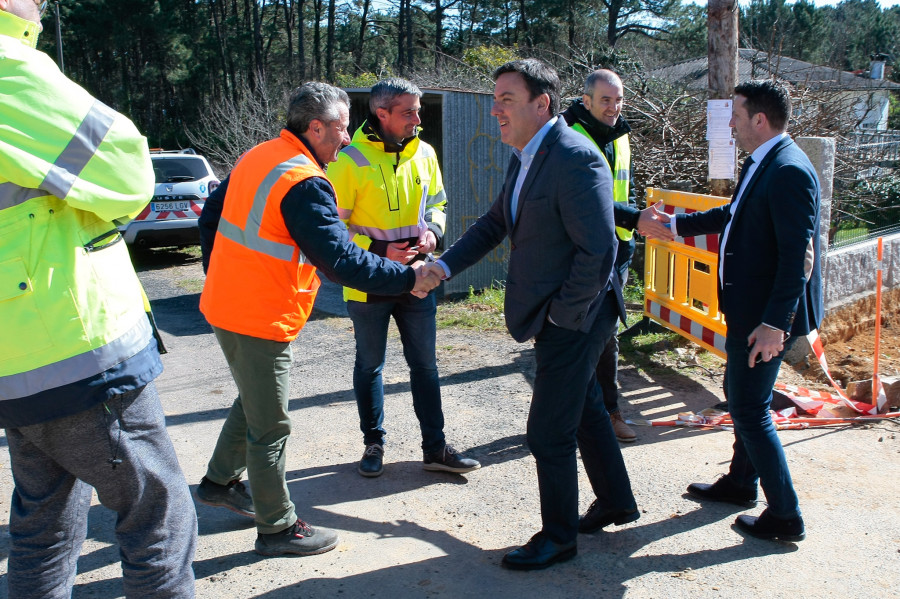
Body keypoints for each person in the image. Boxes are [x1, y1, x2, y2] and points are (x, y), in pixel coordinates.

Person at [0, 1, 197, 596]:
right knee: (158, 518)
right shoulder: (12, 69)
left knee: (45, 526)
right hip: (75, 353)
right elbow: (131, 173)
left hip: (15, 364)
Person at [196, 81, 441, 557]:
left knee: (253, 399)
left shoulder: (261, 155)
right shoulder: (304, 183)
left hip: (231, 305)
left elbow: (210, 219)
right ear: (314, 127)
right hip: (258, 315)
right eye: (340, 129)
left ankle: (219, 481)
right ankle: (277, 528)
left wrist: (219, 275)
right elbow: (342, 261)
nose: (347, 139)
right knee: (271, 425)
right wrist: (408, 279)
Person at [428, 59, 639, 570]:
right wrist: (441, 267)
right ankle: (615, 502)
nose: (495, 108)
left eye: (506, 98)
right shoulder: (526, 154)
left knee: (547, 431)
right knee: (586, 407)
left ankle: (558, 538)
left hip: (577, 316)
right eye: (495, 97)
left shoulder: (574, 158)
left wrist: (563, 317)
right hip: (562, 313)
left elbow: (600, 252)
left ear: (541, 104)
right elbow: (496, 221)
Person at [661, 80, 822, 542]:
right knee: (742, 395)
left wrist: (775, 325)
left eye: (735, 113)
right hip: (751, 311)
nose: (729, 122)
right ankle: (739, 483)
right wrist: (672, 225)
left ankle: (785, 515)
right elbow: (732, 216)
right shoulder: (766, 161)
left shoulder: (789, 170)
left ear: (759, 119)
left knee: (751, 408)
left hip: (765, 318)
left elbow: (797, 258)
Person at [329, 78, 481, 478]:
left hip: (419, 277)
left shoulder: (425, 152)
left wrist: (434, 231)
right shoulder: (347, 161)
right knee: (370, 366)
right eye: (408, 112)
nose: (418, 118)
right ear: (382, 114)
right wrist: (379, 251)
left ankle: (435, 449)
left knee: (425, 367)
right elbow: (332, 230)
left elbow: (439, 203)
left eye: (419, 110)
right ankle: (373, 443)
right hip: (367, 282)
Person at [561, 69, 674, 443]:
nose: (613, 107)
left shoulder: (621, 133)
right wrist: (634, 217)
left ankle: (605, 412)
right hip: (581, 250)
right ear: (586, 100)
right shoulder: (568, 135)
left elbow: (618, 190)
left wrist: (635, 222)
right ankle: (579, 411)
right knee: (581, 332)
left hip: (619, 247)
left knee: (605, 333)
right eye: (605, 100)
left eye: (618, 100)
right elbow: (584, 200)